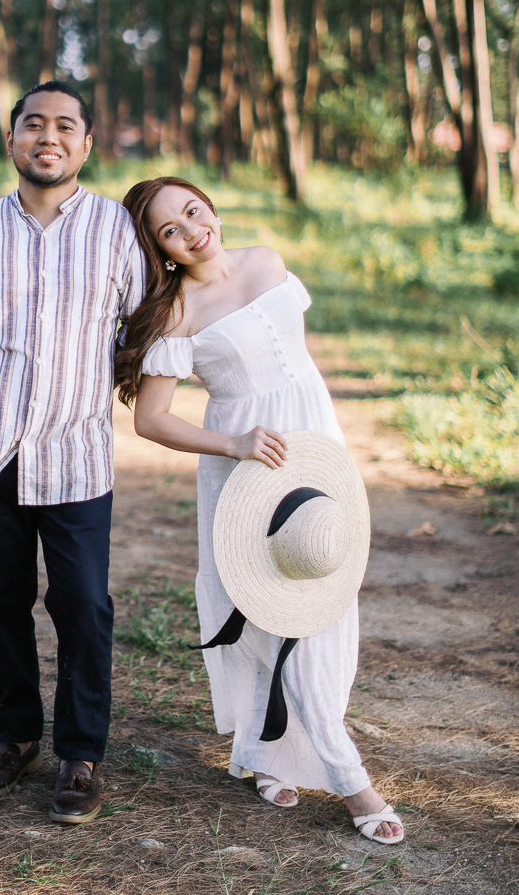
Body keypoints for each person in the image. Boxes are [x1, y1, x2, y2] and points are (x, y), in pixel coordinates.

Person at [115, 177, 403, 844]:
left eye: (193, 211)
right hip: (247, 463)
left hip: (313, 444)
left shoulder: (268, 261)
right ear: (160, 251)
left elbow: (294, 365)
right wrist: (235, 444)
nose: (191, 231)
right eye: (169, 231)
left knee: (323, 598)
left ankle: (262, 752)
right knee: (267, 612)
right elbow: (150, 419)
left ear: (212, 208)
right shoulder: (177, 311)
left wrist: (324, 440)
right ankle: (348, 777)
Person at [0, 81, 146, 825]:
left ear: (86, 144)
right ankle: (14, 737)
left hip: (76, 455)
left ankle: (81, 754)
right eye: (34, 124)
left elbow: (147, 327)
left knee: (83, 605)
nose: (49, 137)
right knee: (1, 601)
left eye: (65, 126)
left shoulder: (117, 230)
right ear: (12, 138)